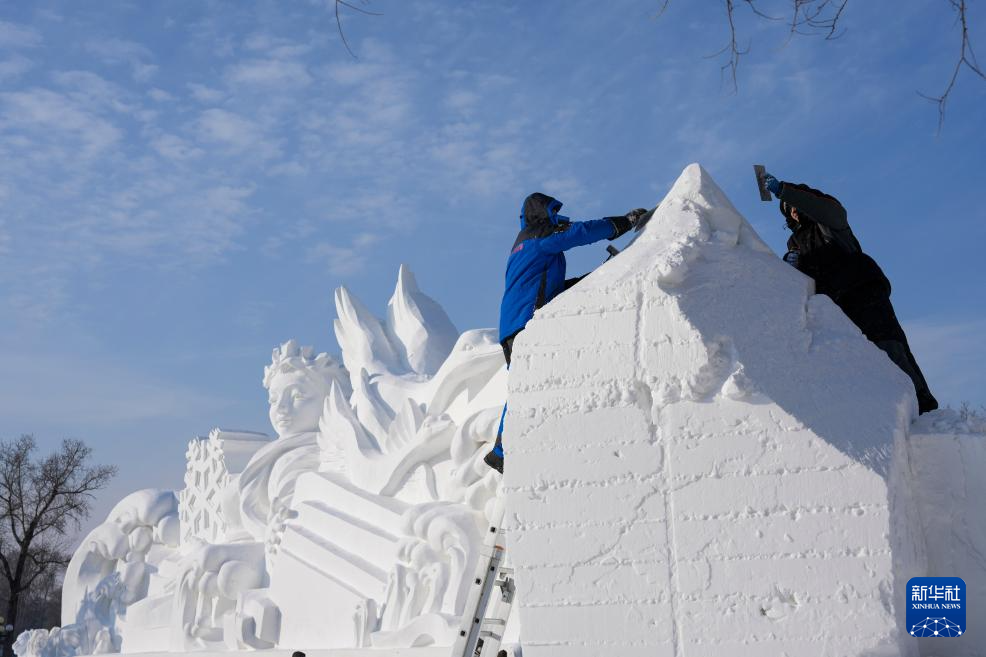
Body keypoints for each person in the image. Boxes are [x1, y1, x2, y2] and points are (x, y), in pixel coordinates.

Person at [483, 193, 648, 472]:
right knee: (526, 384)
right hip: (525, 323)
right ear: (541, 213)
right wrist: (624, 222)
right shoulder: (540, 235)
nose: (558, 216)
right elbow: (581, 232)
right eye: (553, 211)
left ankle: (503, 451)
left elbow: (548, 290)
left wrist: (593, 278)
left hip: (515, 323)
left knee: (523, 384)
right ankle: (503, 452)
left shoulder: (524, 245)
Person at [762, 173, 938, 414]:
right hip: (835, 307)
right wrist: (791, 268)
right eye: (787, 210)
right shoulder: (795, 244)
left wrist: (784, 190)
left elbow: (825, 209)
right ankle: (887, 412)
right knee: (859, 360)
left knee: (888, 345)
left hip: (861, 291)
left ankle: (921, 404)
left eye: (794, 204)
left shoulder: (831, 223)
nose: (792, 210)